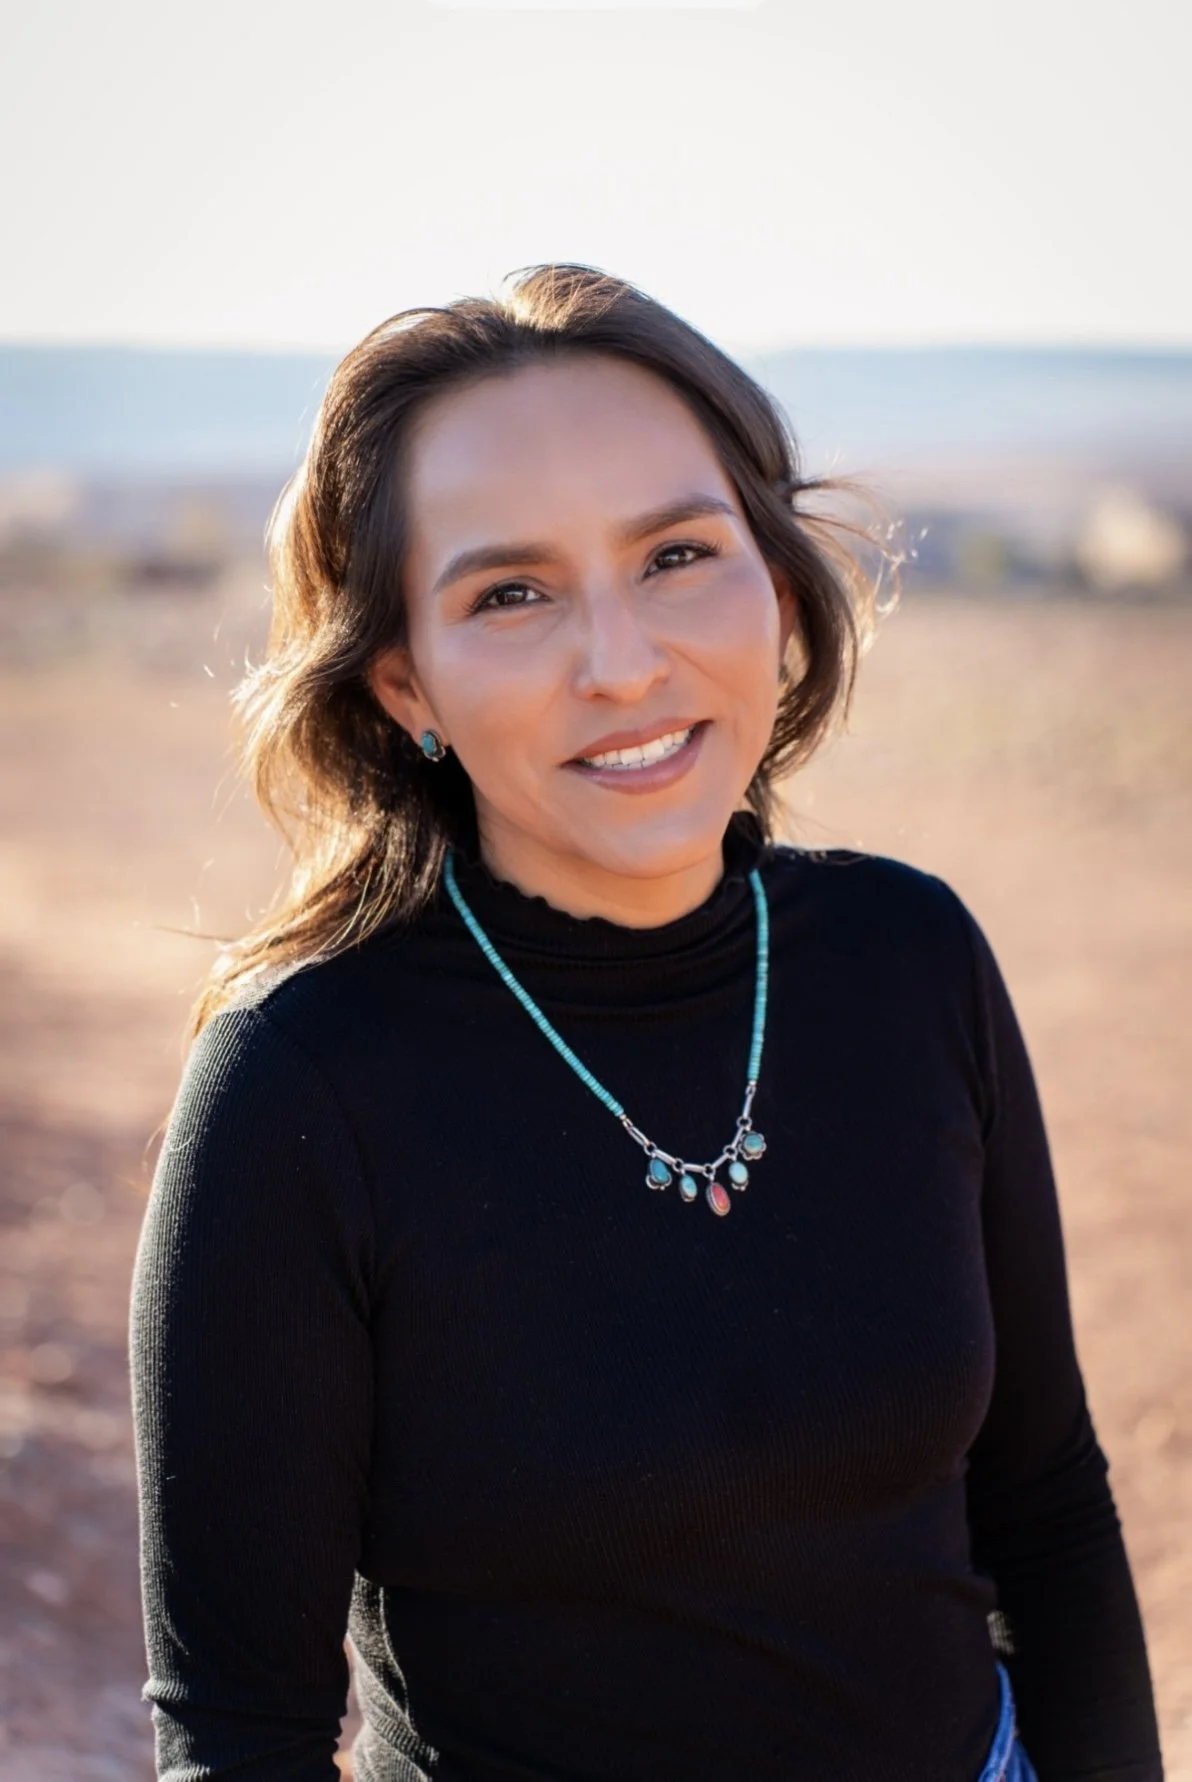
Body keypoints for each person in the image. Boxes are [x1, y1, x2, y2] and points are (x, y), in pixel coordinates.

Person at [129, 263, 1163, 1782]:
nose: (621, 662)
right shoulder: (302, 1086)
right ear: (405, 678)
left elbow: (1048, 1504)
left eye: (678, 552)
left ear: (775, 577)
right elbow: (241, 1729)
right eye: (513, 592)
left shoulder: (910, 954)